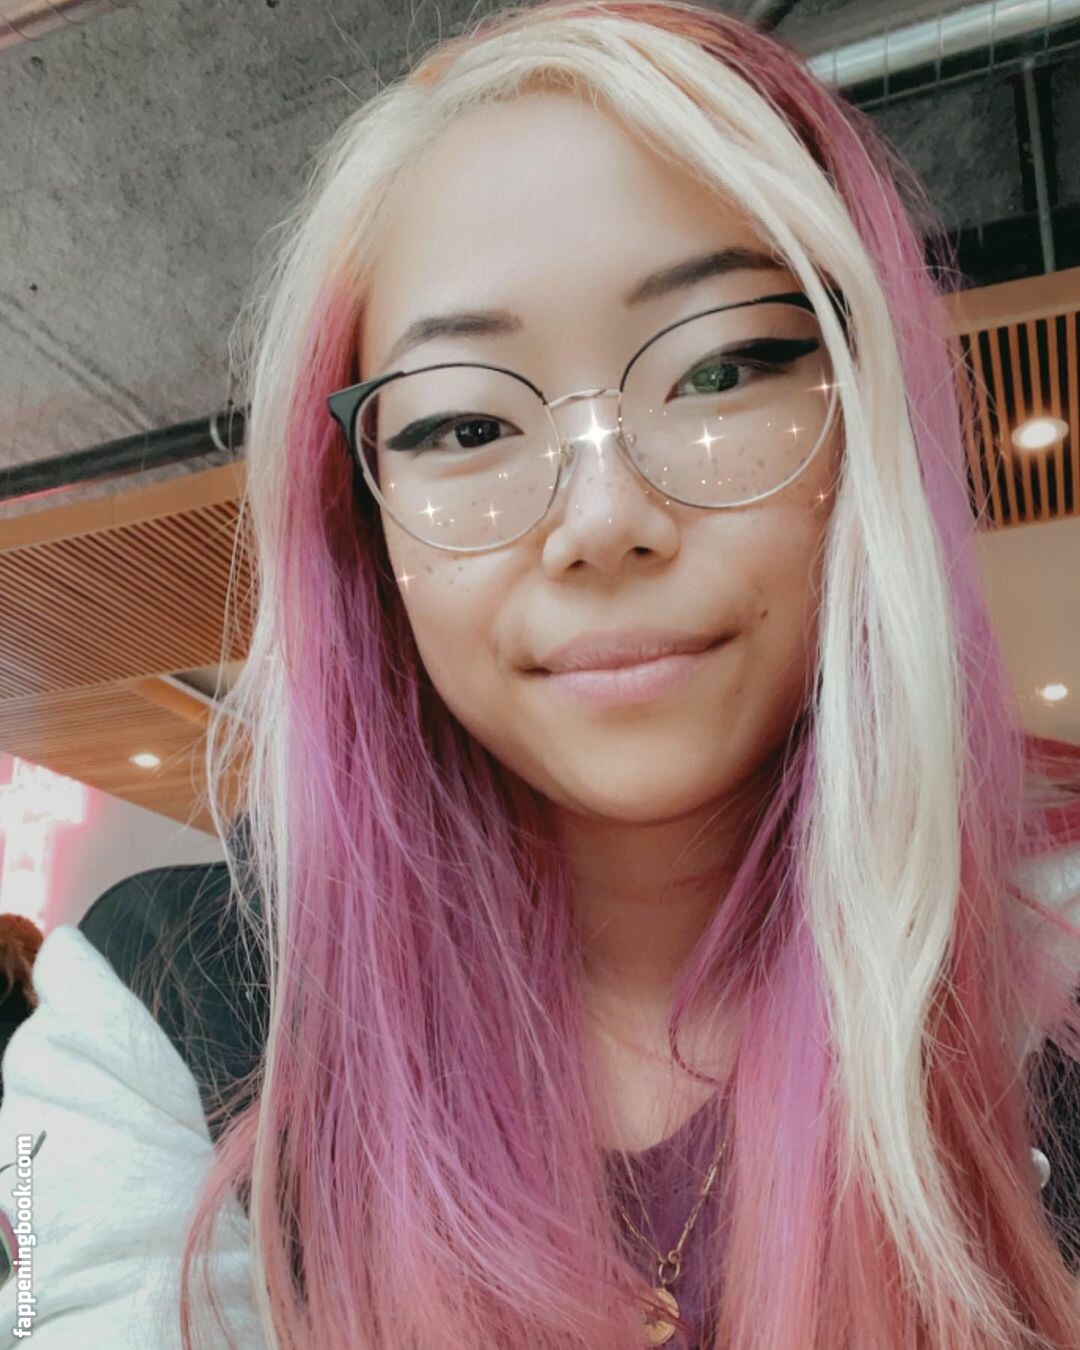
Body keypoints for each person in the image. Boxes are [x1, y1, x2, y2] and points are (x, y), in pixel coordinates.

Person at [1, 2, 1079, 1346]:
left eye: (721, 368)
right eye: (464, 424)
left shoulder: (1047, 964)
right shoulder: (161, 1015)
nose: (602, 520)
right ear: (362, 518)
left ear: (872, 411)